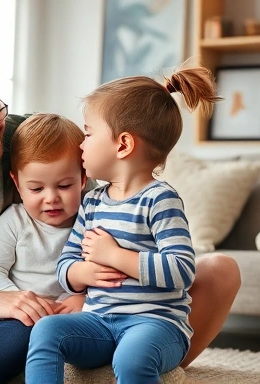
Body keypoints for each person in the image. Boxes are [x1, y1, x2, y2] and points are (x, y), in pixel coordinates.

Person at [0, 33, 240, 384]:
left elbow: (107, 207)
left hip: (2, 325)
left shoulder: (29, 137)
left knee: (34, 325)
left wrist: (91, 297)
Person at [25, 67, 223, 384]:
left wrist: (116, 256)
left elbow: (182, 270)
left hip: (157, 325)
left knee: (131, 360)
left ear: (123, 145)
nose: (81, 145)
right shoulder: (93, 202)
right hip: (100, 322)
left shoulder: (161, 199)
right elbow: (66, 264)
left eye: (88, 134)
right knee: (48, 330)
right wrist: (83, 274)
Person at [0, 113, 94, 334]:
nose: (51, 198)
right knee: (14, 335)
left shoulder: (93, 221)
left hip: (65, 317)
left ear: (83, 179)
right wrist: (16, 300)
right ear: (17, 184)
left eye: (65, 186)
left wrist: (83, 297)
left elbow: (106, 273)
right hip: (14, 315)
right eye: (37, 189)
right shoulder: (15, 220)